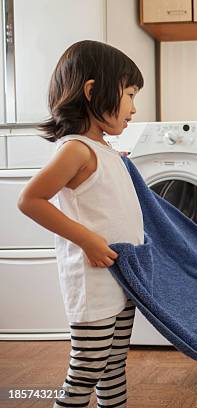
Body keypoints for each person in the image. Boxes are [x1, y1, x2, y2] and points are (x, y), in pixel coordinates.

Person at [17, 40, 143, 408]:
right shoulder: (75, 149)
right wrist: (86, 239)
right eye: (130, 94)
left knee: (115, 365)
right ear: (92, 91)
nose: (134, 108)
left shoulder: (103, 149)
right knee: (89, 365)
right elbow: (30, 200)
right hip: (94, 282)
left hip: (121, 275)